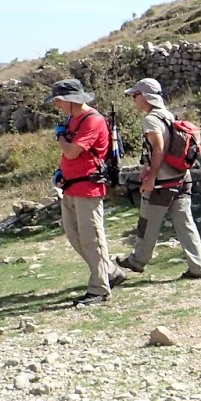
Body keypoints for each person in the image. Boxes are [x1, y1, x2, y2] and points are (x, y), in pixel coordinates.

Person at [115, 77, 201, 280]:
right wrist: (146, 168)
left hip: (162, 183)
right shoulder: (168, 114)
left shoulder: (150, 120)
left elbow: (158, 149)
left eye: (135, 95)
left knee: (147, 222)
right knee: (185, 223)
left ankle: (138, 260)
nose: (134, 100)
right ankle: (198, 267)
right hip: (182, 177)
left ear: (145, 96)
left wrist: (150, 177)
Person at [51, 78, 126, 306]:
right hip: (71, 186)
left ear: (71, 100)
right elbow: (69, 156)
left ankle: (99, 289)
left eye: (59, 100)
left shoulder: (92, 120)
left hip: (88, 187)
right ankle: (110, 272)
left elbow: (72, 152)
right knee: (75, 236)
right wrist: (60, 171)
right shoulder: (73, 119)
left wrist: (60, 137)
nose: (56, 105)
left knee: (92, 238)